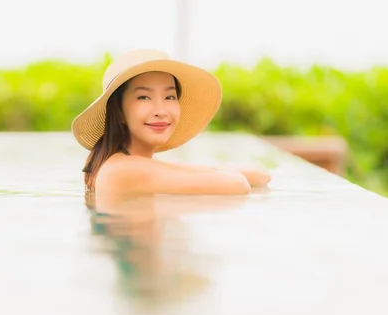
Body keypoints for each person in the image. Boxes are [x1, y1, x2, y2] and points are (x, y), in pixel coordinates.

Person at [71, 49, 271, 202]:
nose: (161, 110)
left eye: (169, 96)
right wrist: (213, 171)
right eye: (144, 97)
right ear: (119, 112)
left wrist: (209, 171)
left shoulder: (131, 163)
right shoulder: (121, 170)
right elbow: (237, 184)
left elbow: (260, 175)